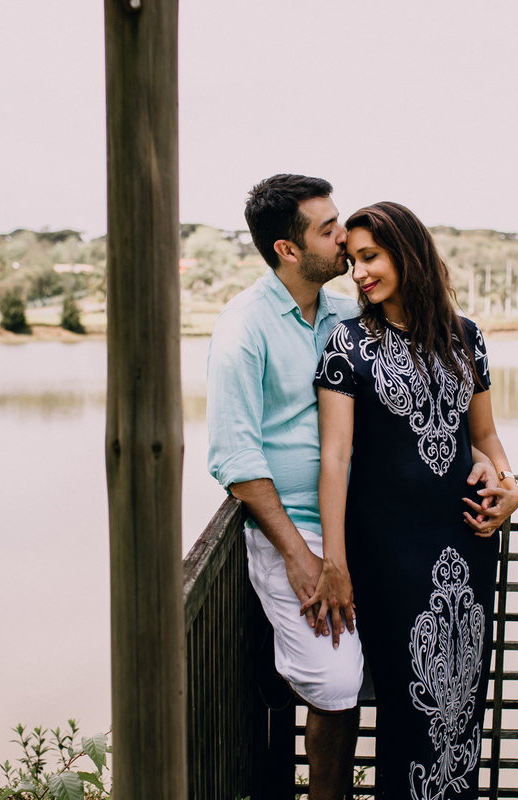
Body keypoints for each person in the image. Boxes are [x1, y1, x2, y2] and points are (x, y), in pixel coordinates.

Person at [207, 177, 502, 800]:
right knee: (341, 682)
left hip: (393, 528)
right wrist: (307, 557)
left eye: (360, 241)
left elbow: (452, 423)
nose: (345, 245)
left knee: (440, 684)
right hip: (300, 527)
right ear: (289, 249)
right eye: (330, 231)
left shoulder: (349, 312)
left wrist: (503, 476)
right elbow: (235, 456)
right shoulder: (245, 328)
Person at [309, 201, 518, 799]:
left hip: (466, 544)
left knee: (459, 706)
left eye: (370, 257)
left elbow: (484, 436)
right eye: (351, 261)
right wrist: (336, 561)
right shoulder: (346, 346)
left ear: (408, 253)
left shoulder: (466, 337)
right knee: (408, 702)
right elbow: (335, 458)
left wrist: (511, 487)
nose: (359, 274)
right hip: (387, 554)